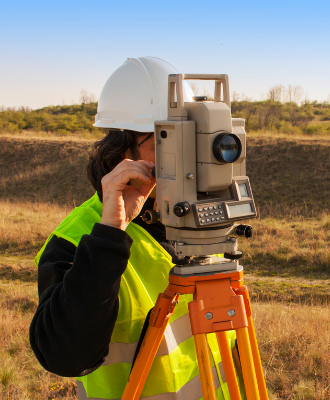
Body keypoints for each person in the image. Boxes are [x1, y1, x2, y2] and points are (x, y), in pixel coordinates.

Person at [29, 57, 235, 400]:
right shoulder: (76, 239)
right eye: (168, 142)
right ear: (123, 152)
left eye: (193, 141)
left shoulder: (194, 225)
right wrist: (111, 232)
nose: (188, 159)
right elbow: (62, 355)